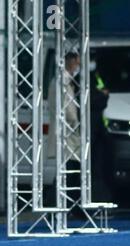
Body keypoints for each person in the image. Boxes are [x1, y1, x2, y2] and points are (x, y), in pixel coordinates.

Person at [47, 52, 82, 215]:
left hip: (69, 132)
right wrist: (76, 123)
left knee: (71, 169)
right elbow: (68, 110)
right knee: (67, 170)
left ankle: (68, 205)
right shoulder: (62, 81)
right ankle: (55, 205)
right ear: (70, 62)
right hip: (67, 132)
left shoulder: (64, 81)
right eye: (76, 62)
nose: (78, 65)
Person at [89, 57, 112, 202]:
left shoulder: (96, 76)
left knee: (100, 168)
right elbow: (94, 100)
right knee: (95, 168)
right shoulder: (86, 78)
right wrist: (102, 96)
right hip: (92, 131)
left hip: (99, 131)